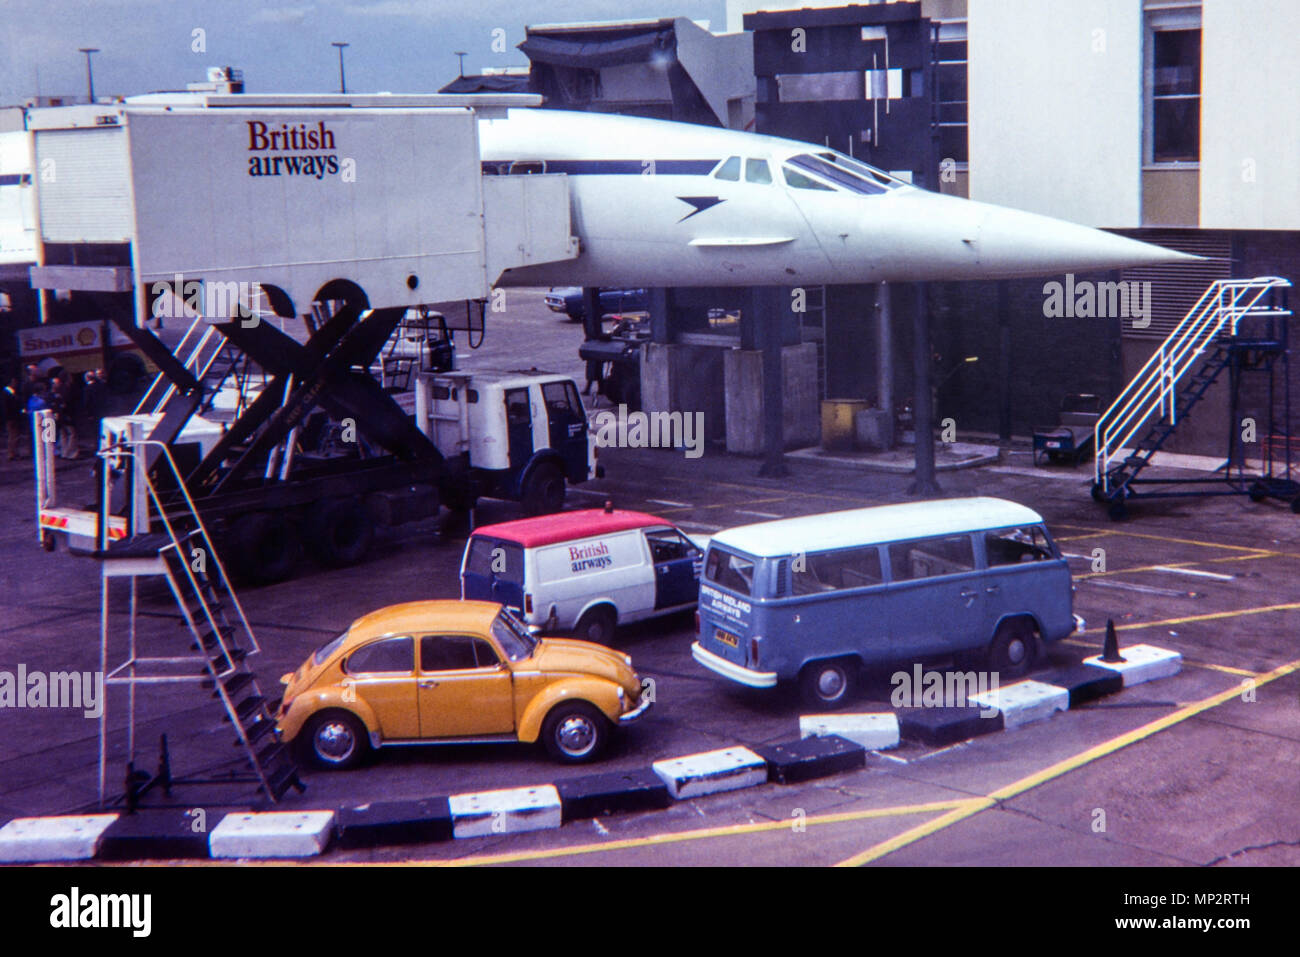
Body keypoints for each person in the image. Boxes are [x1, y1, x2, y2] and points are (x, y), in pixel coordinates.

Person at [3, 376, 24, 461]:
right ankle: (12, 453)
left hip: (12, 417)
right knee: (14, 436)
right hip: (11, 417)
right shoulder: (7, 393)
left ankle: (13, 452)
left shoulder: (10, 393)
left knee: (13, 436)